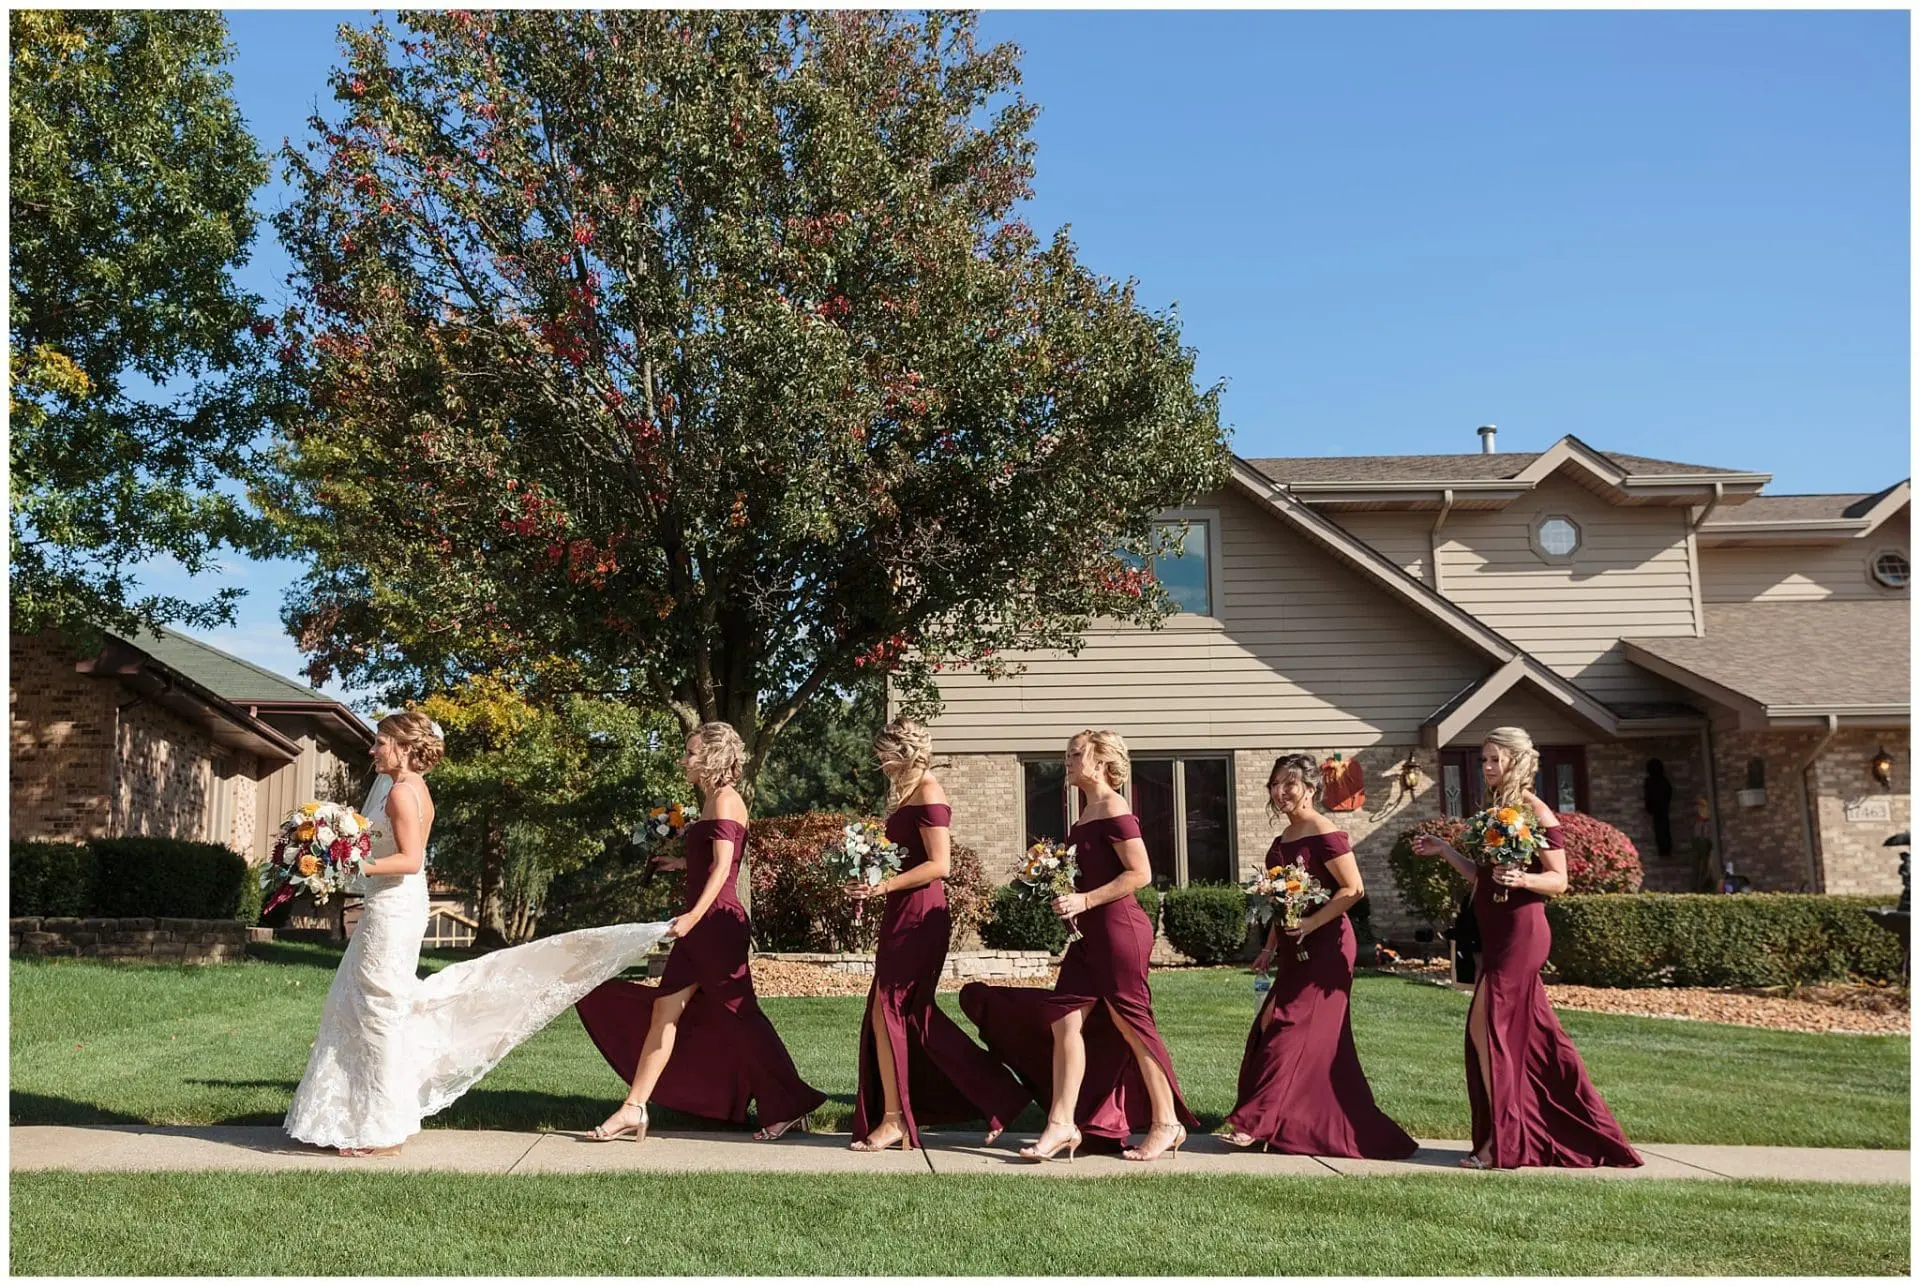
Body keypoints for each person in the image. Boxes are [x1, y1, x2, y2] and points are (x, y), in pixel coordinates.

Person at [284, 712, 670, 1155]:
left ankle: (382, 1128)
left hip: (394, 907)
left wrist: (349, 865)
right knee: (365, 1004)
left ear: (405, 748)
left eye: (381, 742)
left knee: (378, 1011)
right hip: (395, 905)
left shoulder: (401, 796)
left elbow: (410, 860)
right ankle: (364, 1119)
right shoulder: (412, 789)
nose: (374, 750)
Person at [575, 722, 826, 1142]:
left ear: (711, 757)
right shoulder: (711, 801)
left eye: (690, 753)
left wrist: (691, 917)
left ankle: (787, 1105)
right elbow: (709, 862)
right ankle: (633, 1109)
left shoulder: (728, 801)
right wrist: (677, 866)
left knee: (740, 1016)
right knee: (664, 1013)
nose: (683, 760)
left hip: (716, 925)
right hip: (701, 926)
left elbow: (726, 868)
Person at [959, 729, 1199, 1161]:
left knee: (1131, 1024)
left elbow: (1140, 874)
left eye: (1075, 754)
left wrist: (1086, 898)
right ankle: (1062, 1123)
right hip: (1090, 935)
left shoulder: (1115, 809)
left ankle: (1167, 1123)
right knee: (1064, 1018)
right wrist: (1069, 897)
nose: (1066, 761)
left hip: (1119, 931)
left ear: (1102, 761)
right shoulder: (1086, 814)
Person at [1412, 727, 1641, 1169]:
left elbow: (1559, 880)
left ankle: (1499, 1143)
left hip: (1522, 932)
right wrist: (1444, 850)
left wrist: (1524, 879)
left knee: (1487, 1029)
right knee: (1533, 1039)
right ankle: (1560, 1128)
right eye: (1484, 760)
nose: (1487, 767)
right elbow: (1481, 876)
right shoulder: (1493, 812)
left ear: (1517, 761)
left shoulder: (1537, 812)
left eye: (1495, 759)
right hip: (1494, 927)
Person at [844, 720, 1030, 1151]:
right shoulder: (907, 794)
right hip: (901, 910)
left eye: (884, 753)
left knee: (889, 1009)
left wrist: (883, 886)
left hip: (920, 915)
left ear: (905, 753)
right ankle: (999, 1094)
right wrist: (867, 874)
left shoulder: (929, 791)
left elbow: (940, 864)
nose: (879, 761)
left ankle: (895, 1120)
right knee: (904, 1013)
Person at [1221, 754, 1417, 1159]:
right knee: (1278, 1025)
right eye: (1275, 785)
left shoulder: (1327, 833)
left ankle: (1255, 1122)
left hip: (1327, 948)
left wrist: (1311, 925)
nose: (1280, 792)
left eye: (1289, 784)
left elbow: (1353, 889)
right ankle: (1300, 1122)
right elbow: (1283, 903)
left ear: (1310, 788)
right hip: (1295, 947)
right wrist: (1271, 947)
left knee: (1288, 1028)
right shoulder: (1282, 842)